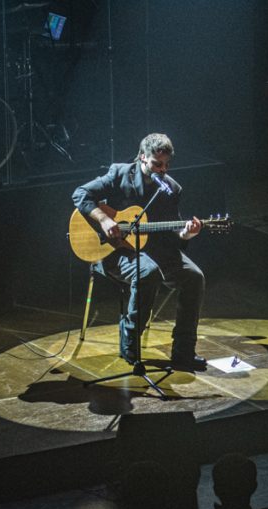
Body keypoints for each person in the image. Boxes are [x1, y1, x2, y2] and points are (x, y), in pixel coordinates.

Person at [72, 133, 207, 370]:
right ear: (142, 157)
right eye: (157, 164)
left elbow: (171, 234)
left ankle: (183, 352)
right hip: (115, 251)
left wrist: (186, 234)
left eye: (166, 165)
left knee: (194, 277)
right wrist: (104, 220)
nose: (162, 170)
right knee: (147, 272)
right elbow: (80, 194)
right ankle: (130, 340)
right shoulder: (119, 174)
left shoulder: (171, 189)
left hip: (156, 250)